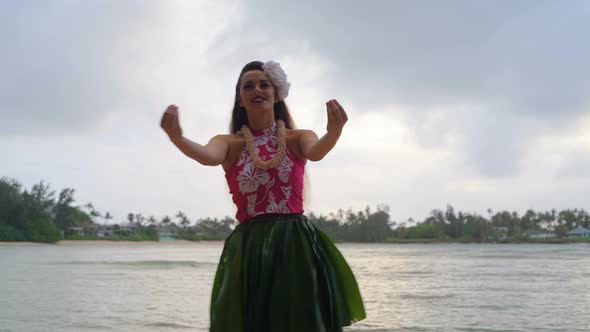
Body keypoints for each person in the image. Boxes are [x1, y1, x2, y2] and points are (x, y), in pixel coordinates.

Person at [160, 60, 365, 332]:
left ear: (276, 93)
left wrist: (334, 132)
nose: (257, 89)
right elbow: (207, 156)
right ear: (240, 100)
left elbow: (316, 151)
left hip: (295, 245)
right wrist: (178, 138)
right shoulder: (228, 143)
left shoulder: (298, 137)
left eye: (264, 84)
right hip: (250, 247)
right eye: (248, 86)